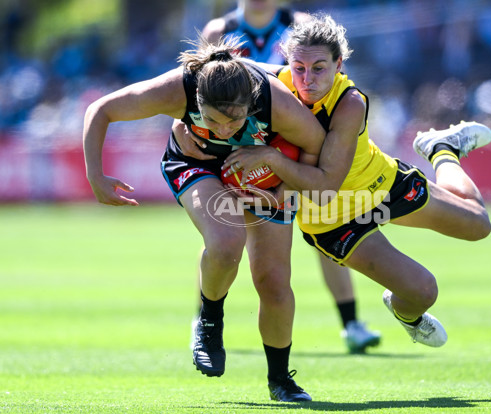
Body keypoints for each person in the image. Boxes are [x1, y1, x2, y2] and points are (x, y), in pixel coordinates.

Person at [179, 13, 491, 348]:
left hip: (381, 185)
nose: (307, 79)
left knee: (479, 226)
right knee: (423, 291)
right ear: (287, 62)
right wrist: (183, 126)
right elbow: (206, 91)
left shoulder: (350, 103)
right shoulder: (268, 88)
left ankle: (442, 150)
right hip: (333, 221)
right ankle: (407, 314)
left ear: (338, 64)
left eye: (319, 68)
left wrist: (272, 159)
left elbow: (325, 182)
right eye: (299, 68)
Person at [82, 36, 327, 402]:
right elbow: (100, 109)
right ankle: (210, 320)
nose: (223, 131)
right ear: (195, 102)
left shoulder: (275, 102)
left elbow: (316, 143)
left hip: (262, 170)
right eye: (211, 120)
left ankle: (281, 381)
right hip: (196, 165)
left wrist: (288, 189)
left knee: (274, 282)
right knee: (227, 242)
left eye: (234, 121)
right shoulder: (176, 89)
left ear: (251, 103)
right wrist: (95, 176)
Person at [195, 0, 381, 354]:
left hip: (300, 147)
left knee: (327, 229)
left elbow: (327, 81)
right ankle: (202, 322)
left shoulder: (302, 25)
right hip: (240, 152)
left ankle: (351, 324)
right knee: (221, 237)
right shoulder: (218, 31)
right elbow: (200, 89)